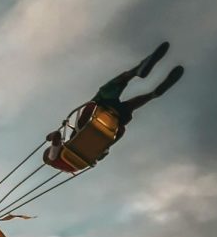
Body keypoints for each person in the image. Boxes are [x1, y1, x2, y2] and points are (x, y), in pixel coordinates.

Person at [43, 42, 183, 173]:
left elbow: (103, 154)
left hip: (113, 125)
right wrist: (50, 137)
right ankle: (135, 72)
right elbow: (56, 137)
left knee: (130, 106)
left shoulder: (81, 163)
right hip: (98, 110)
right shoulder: (53, 158)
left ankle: (153, 94)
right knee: (108, 89)